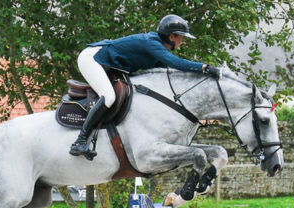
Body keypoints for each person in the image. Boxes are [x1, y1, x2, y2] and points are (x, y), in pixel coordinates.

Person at [69, 14, 221, 160]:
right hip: (93, 59)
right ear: (171, 36)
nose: (183, 40)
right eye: (181, 37)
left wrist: (201, 78)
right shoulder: (152, 43)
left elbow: (171, 72)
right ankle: (80, 142)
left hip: (110, 65)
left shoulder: (158, 50)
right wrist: (204, 67)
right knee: (109, 97)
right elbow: (176, 63)